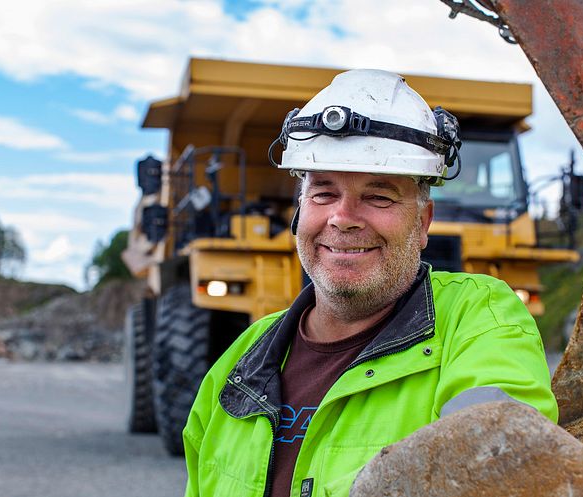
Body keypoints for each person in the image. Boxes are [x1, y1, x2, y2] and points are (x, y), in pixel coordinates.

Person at [182, 69, 557, 497]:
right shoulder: (241, 359)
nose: (343, 218)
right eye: (323, 193)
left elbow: (503, 464)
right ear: (299, 212)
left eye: (379, 196)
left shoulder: (479, 321)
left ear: (422, 223)